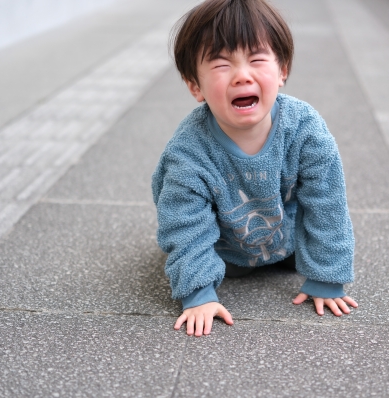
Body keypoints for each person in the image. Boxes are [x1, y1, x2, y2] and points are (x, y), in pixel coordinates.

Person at [152, 0, 357, 336]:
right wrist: (198, 294)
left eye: (257, 59)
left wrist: (326, 276)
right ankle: (219, 270)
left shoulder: (304, 129)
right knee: (213, 257)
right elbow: (183, 224)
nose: (241, 75)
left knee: (308, 239)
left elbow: (327, 204)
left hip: (287, 238)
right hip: (228, 252)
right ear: (194, 85)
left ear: (282, 70)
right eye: (221, 64)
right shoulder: (189, 151)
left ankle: (296, 258)